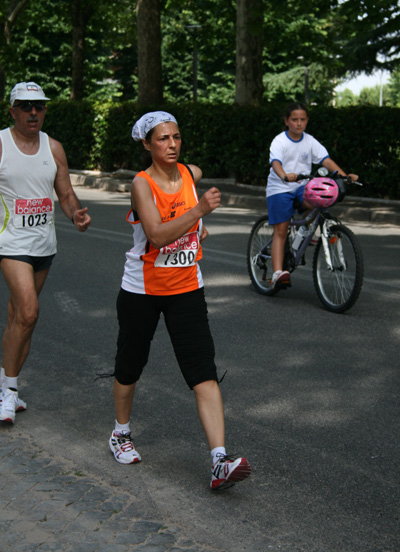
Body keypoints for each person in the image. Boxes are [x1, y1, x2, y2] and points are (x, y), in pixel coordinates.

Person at [108, 111, 251, 491]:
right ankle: (120, 432)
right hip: (143, 290)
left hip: (187, 288)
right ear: (146, 144)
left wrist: (196, 228)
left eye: (176, 137)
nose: (171, 145)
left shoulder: (190, 173)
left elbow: (191, 194)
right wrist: (199, 212)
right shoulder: (142, 185)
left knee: (203, 370)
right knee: (130, 365)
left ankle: (219, 459)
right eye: (162, 139)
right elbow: (155, 235)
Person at [0, 81, 91, 424]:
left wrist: (76, 214)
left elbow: (65, 194)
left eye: (39, 106)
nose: (33, 112)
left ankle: (3, 382)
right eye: (25, 106)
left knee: (18, 318)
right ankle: (9, 393)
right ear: (12, 111)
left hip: (43, 246)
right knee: (29, 311)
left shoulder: (53, 148)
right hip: (10, 244)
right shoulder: (1, 144)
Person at [267, 102, 358, 290]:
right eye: (294, 120)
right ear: (287, 121)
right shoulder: (279, 141)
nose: (299, 124)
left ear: (307, 120)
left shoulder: (309, 141)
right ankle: (277, 273)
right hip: (280, 188)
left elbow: (326, 160)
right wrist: (284, 174)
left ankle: (305, 232)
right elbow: (275, 163)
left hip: (301, 186)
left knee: (322, 200)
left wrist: (343, 176)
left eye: (302, 119)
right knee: (281, 231)